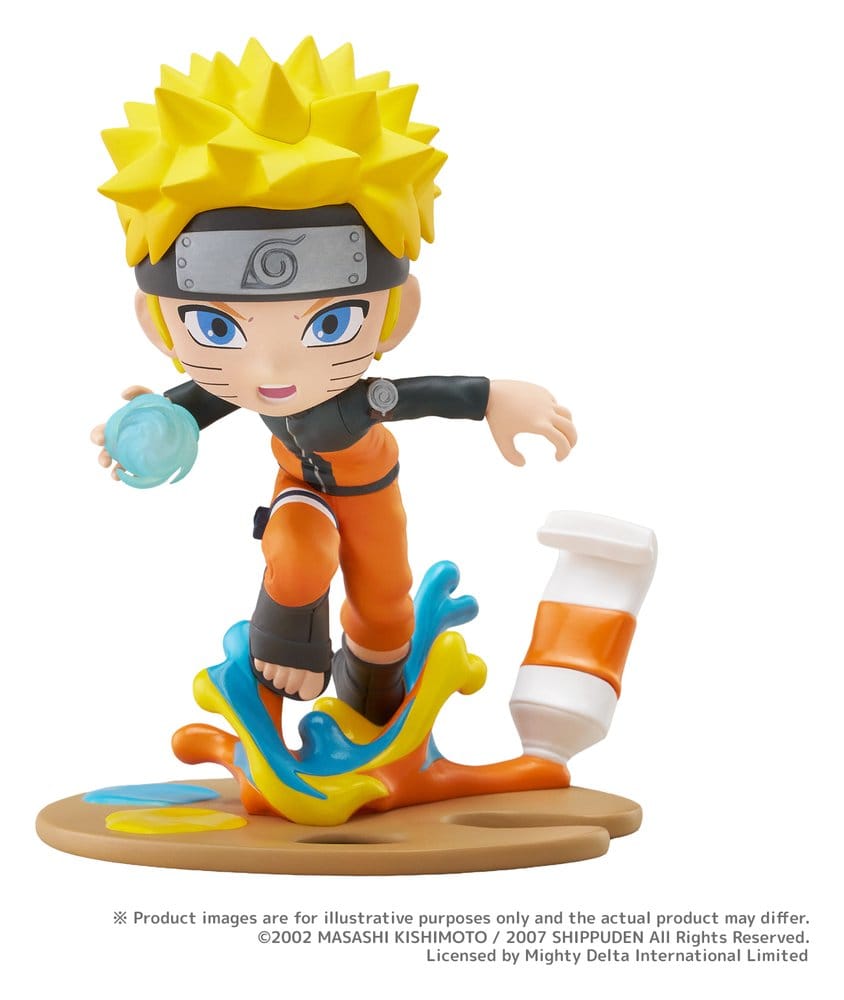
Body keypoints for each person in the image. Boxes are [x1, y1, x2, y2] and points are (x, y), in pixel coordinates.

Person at [92, 37, 577, 724]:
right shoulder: (247, 383)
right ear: (158, 324)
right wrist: (160, 420)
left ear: (395, 314)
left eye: (330, 323)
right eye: (217, 328)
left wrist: (493, 396)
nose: (272, 370)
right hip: (298, 484)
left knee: (384, 613)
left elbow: (423, 396)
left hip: (374, 496)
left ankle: (373, 702)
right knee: (297, 551)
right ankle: (285, 640)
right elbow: (209, 398)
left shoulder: (361, 399)